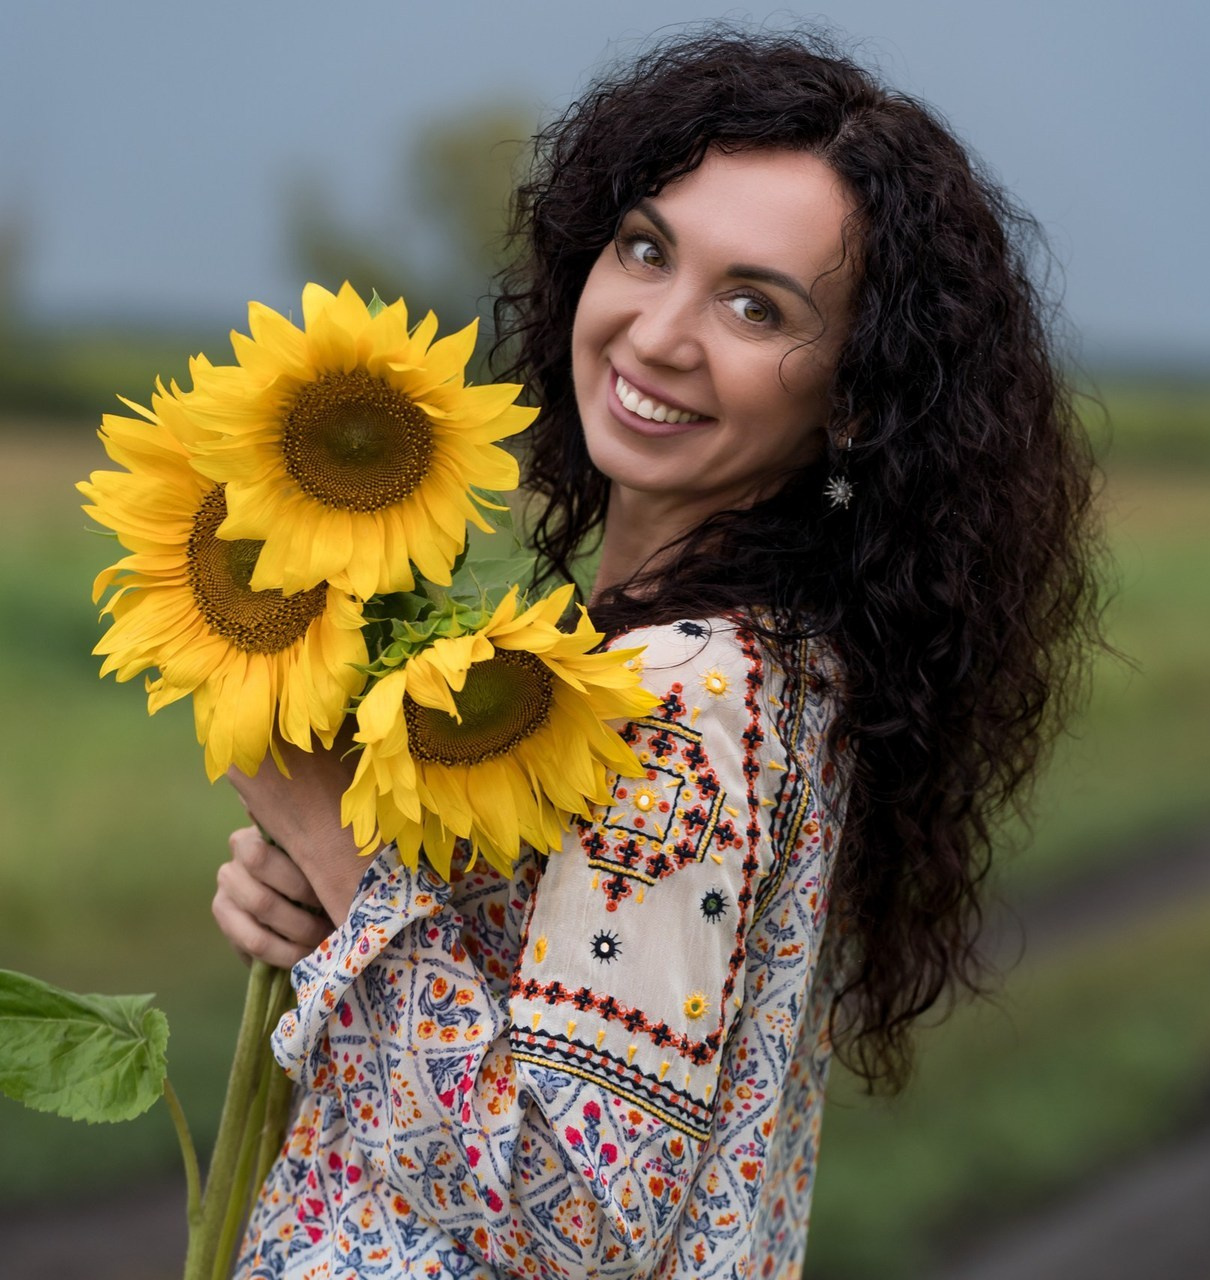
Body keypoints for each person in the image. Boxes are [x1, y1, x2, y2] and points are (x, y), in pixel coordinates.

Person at [212, 27, 1103, 1279]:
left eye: (754, 303)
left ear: (853, 396)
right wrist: (336, 920)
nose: (659, 332)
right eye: (645, 249)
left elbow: (573, 1208)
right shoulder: (752, 662)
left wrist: (332, 843)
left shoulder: (688, 689)